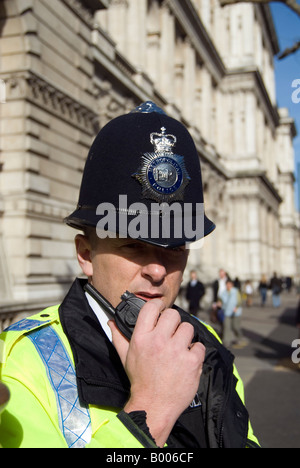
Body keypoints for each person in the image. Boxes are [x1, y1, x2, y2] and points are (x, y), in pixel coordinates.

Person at [0, 102, 259, 448]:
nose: (157, 270)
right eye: (134, 246)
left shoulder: (204, 341)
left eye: (175, 248)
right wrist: (150, 410)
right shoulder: (22, 362)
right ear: (86, 254)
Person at [220, 279, 245, 348]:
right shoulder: (224, 293)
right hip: (227, 312)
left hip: (235, 312)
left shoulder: (235, 291)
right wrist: (219, 304)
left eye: (229, 284)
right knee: (226, 326)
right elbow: (221, 301)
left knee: (235, 326)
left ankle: (239, 337)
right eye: (227, 284)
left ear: (232, 285)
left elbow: (239, 301)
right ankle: (226, 341)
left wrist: (237, 307)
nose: (228, 286)